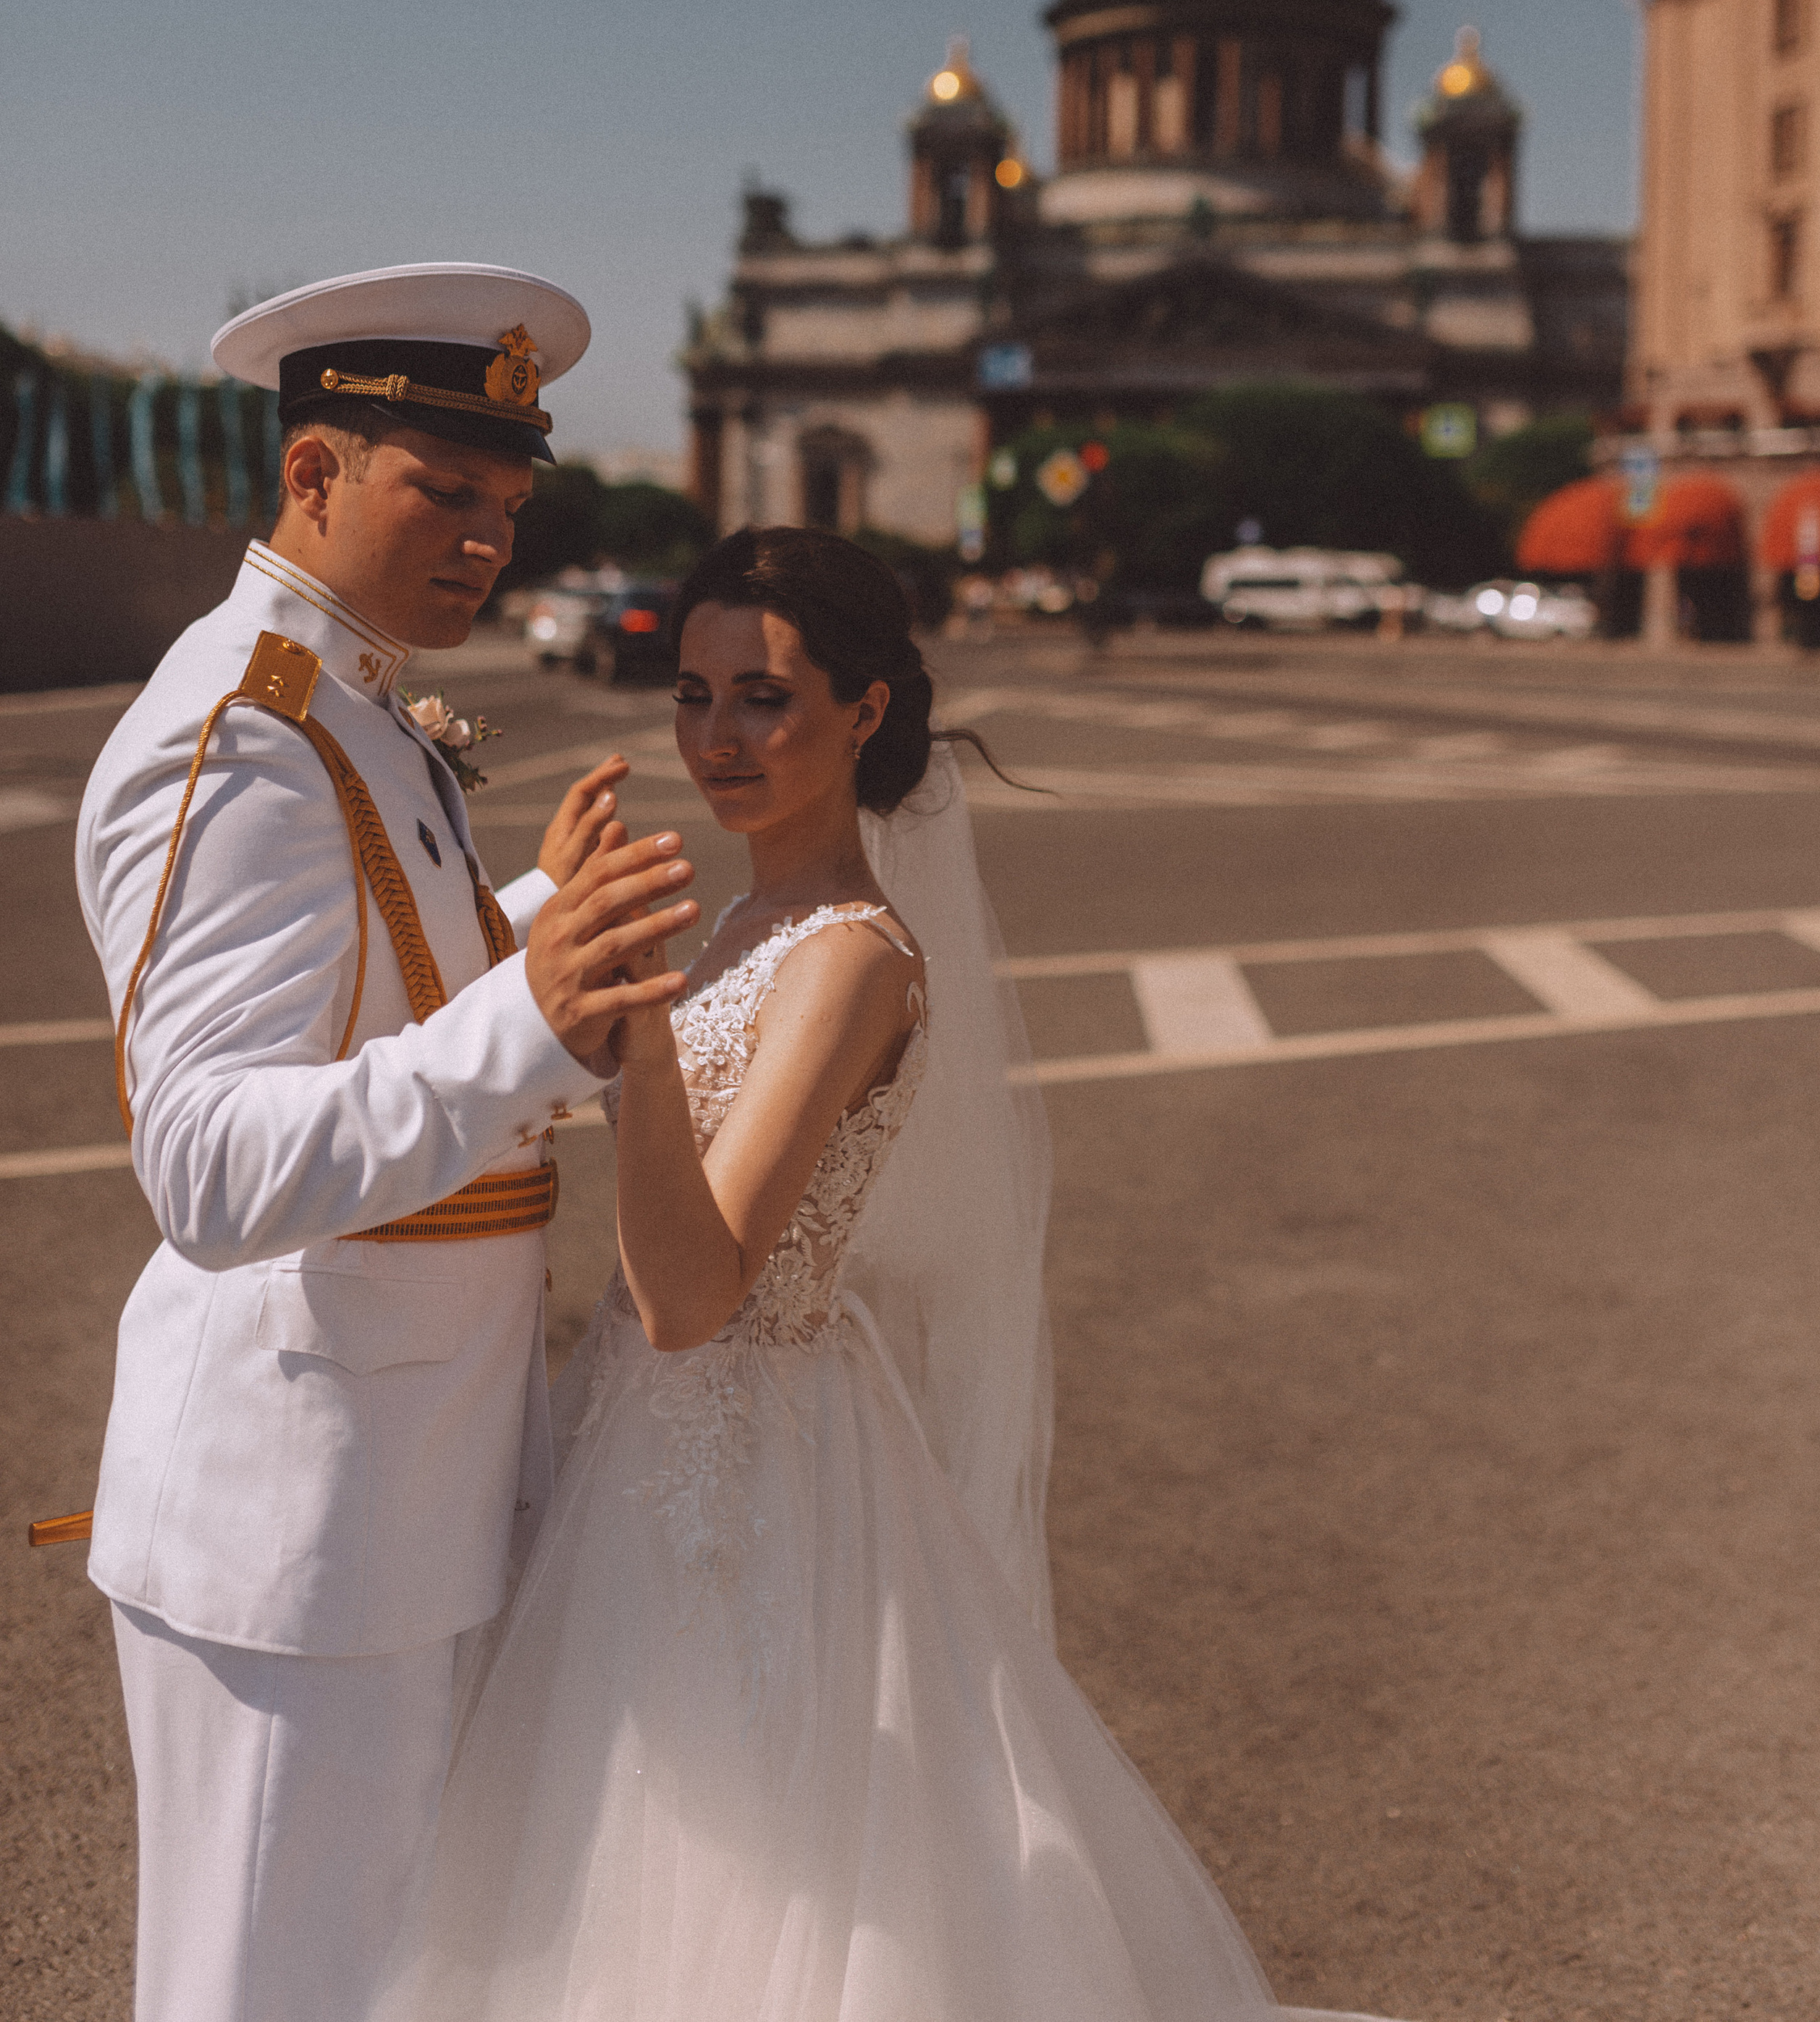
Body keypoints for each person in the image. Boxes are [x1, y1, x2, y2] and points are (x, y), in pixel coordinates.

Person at [392, 525, 1395, 2022]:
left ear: (862, 715)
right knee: (626, 1833)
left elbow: (692, 1299)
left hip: (756, 1463)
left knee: (769, 1865)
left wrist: (643, 1042)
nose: (715, 738)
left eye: (763, 698)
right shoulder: (733, 923)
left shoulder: (852, 958)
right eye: (692, 693)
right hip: (630, 1453)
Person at [69, 264, 702, 2022]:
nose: (488, 536)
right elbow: (205, 1166)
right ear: (316, 474)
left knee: (374, 1981)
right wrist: (533, 1018)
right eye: (444, 489)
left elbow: (360, 1006)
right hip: (299, 1512)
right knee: (271, 1990)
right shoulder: (243, 733)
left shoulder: (355, 707)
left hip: (390, 1476)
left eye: (508, 501)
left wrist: (526, 929)